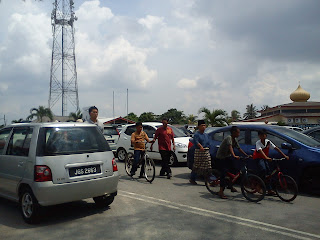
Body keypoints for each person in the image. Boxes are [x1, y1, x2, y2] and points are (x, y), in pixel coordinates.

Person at [216, 126, 249, 199]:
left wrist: (247, 155)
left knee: (234, 171)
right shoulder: (229, 138)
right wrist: (234, 155)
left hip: (227, 156)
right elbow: (230, 147)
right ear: (234, 132)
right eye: (238, 132)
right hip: (221, 157)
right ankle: (221, 192)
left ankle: (230, 186)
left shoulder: (235, 139)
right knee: (223, 174)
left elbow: (239, 148)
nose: (239, 134)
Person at [253, 129, 289, 195]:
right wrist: (266, 157)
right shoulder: (258, 143)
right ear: (259, 136)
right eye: (261, 135)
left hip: (265, 158)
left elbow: (276, 148)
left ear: (266, 136)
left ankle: (269, 190)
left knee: (269, 174)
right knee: (263, 170)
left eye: (264, 135)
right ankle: (258, 185)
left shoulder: (268, 142)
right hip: (258, 158)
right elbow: (260, 151)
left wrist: (284, 155)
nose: (262, 136)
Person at [189, 120, 211, 185]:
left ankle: (210, 180)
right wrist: (201, 147)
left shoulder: (206, 135)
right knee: (197, 166)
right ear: (199, 126)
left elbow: (208, 143)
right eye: (202, 126)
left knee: (208, 166)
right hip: (199, 151)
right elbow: (196, 142)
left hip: (206, 151)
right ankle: (192, 178)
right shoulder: (196, 134)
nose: (203, 127)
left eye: (204, 125)